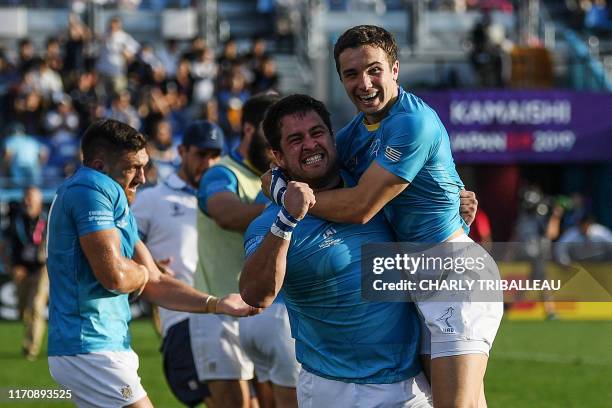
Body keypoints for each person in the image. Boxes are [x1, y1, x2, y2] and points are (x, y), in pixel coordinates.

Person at [266, 25, 499, 408]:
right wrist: (279, 184)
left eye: (374, 69)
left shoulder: (412, 122)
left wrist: (289, 200)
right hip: (412, 279)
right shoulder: (356, 132)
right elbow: (300, 169)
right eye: (351, 74)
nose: (365, 82)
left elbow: (360, 207)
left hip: (454, 273)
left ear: (395, 68)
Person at [46, 118, 258, 408]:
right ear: (99, 166)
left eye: (144, 166)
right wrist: (144, 271)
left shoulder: (112, 198)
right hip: (90, 347)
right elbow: (117, 277)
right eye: (133, 167)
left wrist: (216, 304)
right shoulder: (92, 188)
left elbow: (155, 282)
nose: (143, 178)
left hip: (102, 346)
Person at [241, 94, 432, 407]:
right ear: (277, 155)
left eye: (317, 133)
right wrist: (287, 220)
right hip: (331, 388)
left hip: (408, 386)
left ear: (332, 137)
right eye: (295, 140)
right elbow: (255, 293)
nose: (310, 145)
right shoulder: (268, 224)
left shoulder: (370, 188)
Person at [191, 94, 299, 408]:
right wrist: (285, 206)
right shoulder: (222, 173)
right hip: (220, 312)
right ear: (249, 129)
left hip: (266, 308)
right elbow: (227, 215)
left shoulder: (283, 174)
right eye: (271, 133)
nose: (277, 143)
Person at [131, 120, 224, 407]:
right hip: (185, 317)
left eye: (214, 155)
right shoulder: (152, 199)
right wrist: (147, 264)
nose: (208, 163)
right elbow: (121, 247)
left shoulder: (228, 198)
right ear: (182, 151)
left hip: (234, 314)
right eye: (201, 154)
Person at [6, 186, 48, 360]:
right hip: (21, 269)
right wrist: (12, 266)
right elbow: (5, 246)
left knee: (37, 307)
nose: (27, 201)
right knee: (23, 311)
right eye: (26, 198)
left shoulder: (48, 220)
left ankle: (31, 348)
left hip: (42, 268)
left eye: (31, 198)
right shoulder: (16, 221)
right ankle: (29, 331)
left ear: (39, 201)